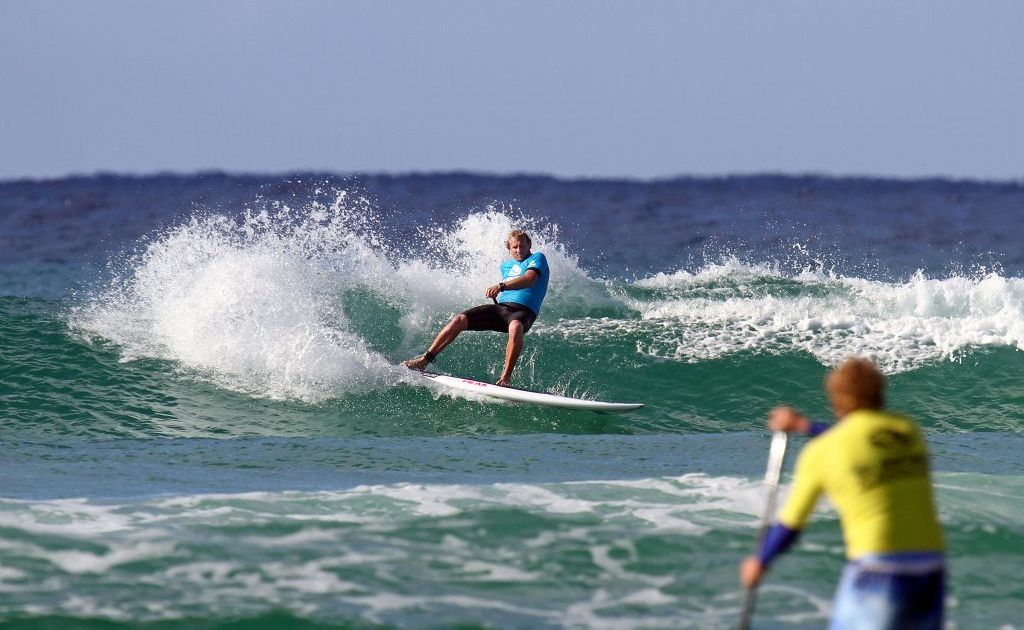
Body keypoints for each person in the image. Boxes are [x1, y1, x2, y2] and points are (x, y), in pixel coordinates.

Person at [740, 358, 945, 629]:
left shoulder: (824, 451)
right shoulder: (907, 431)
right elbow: (859, 435)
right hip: (931, 568)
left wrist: (761, 561)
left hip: (880, 569)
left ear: (837, 398)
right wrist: (804, 425)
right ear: (880, 391)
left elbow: (791, 524)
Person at [402, 229, 550, 387]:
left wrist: (501, 286)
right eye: (514, 247)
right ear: (509, 248)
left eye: (522, 246)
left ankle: (505, 378)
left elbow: (530, 279)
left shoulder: (537, 258)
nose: (519, 250)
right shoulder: (506, 266)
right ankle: (425, 360)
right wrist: (497, 292)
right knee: (459, 320)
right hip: (502, 309)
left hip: (524, 312)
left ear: (529, 245)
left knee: (515, 326)